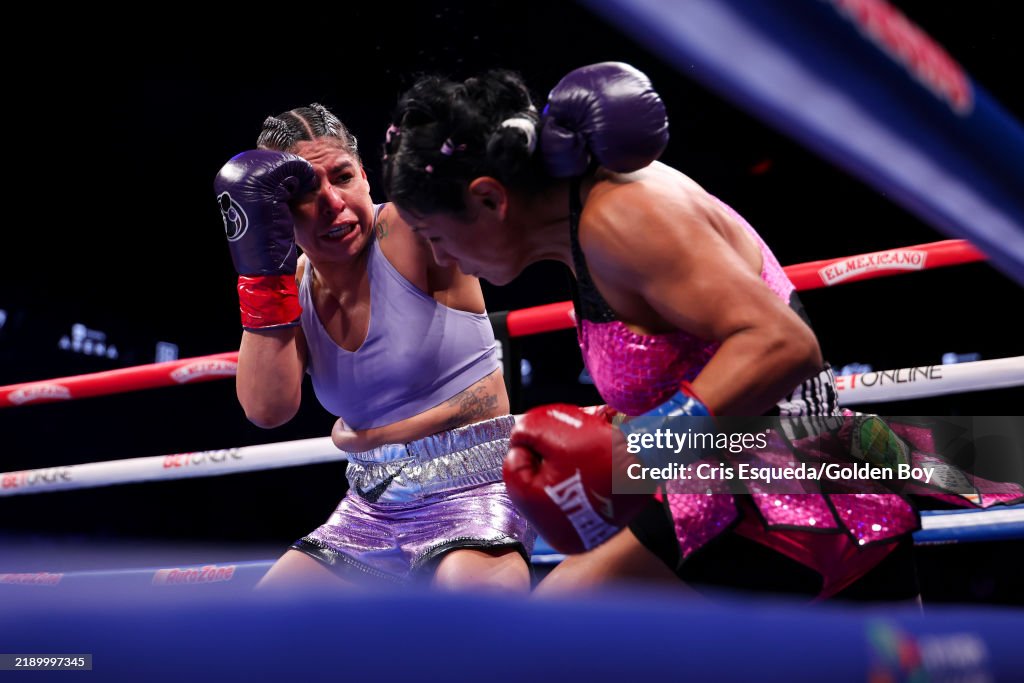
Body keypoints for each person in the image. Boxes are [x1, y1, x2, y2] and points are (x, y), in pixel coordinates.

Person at [376, 64, 1023, 600]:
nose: (448, 260)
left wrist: (641, 448)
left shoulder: (622, 217)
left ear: (490, 198)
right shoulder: (588, 224)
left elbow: (785, 344)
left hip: (790, 490)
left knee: (553, 621)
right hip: (760, 484)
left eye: (436, 236)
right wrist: (625, 444)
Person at [213, 103, 534, 591]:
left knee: (476, 612)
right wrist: (261, 273)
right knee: (263, 622)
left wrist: (367, 438)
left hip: (475, 486)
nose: (331, 203)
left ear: (365, 176)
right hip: (371, 504)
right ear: (275, 209)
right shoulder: (288, 288)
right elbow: (267, 409)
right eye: (303, 191)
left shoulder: (409, 230)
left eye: (341, 177)